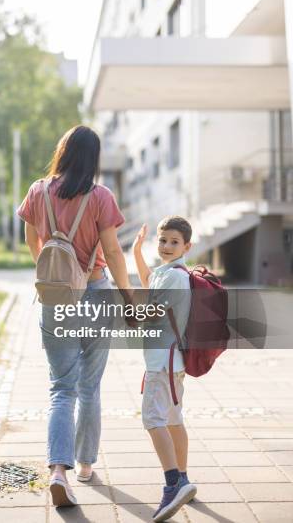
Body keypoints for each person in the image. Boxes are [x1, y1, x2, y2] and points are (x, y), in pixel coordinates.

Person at [18, 125, 132, 507]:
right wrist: (129, 296)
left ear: (63, 152)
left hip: (55, 298)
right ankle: (85, 465)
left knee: (61, 388)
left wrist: (52, 272)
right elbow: (114, 252)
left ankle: (57, 472)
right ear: (93, 158)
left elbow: (32, 239)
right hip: (97, 292)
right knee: (89, 385)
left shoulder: (38, 190)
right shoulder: (100, 196)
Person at [132, 216, 197, 522]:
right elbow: (148, 282)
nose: (167, 246)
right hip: (171, 362)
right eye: (162, 240)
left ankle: (174, 484)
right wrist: (135, 253)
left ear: (187, 246)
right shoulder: (169, 272)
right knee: (172, 420)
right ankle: (182, 478)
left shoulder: (175, 278)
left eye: (174, 242)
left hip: (162, 364)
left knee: (153, 419)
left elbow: (150, 313)